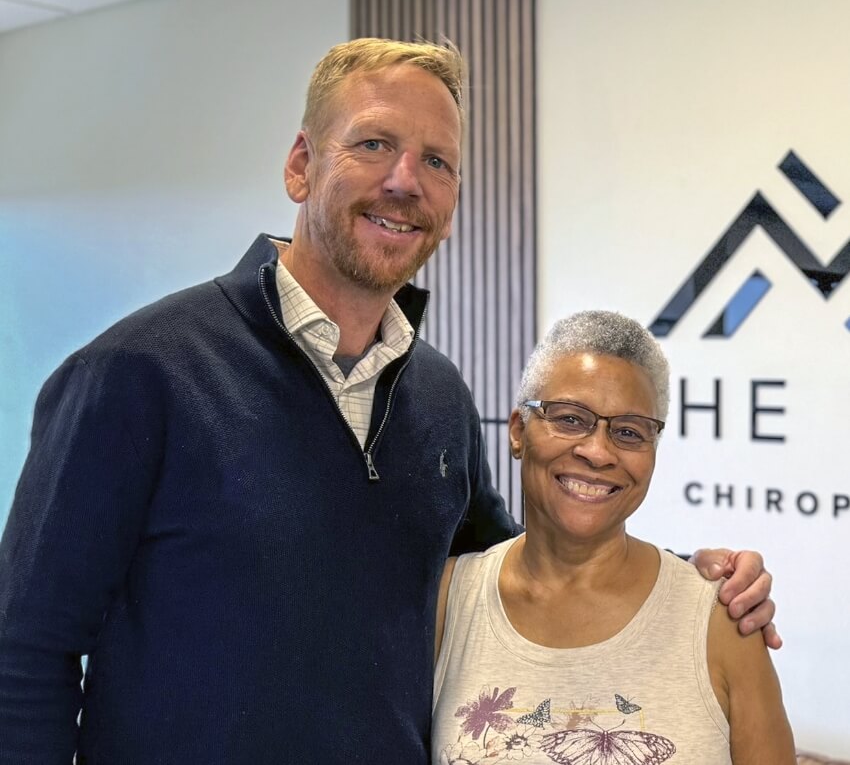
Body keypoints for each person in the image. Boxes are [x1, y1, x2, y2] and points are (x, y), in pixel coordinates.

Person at [0, 39, 775, 765]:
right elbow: (23, 655)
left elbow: (517, 568)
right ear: (301, 165)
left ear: (452, 198)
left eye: (436, 161)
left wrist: (687, 581)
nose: (406, 180)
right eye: (374, 144)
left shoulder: (435, 393)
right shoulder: (135, 375)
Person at [432, 310, 796, 765]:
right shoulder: (448, 600)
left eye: (628, 432)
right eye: (569, 419)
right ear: (519, 432)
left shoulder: (721, 618)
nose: (598, 452)